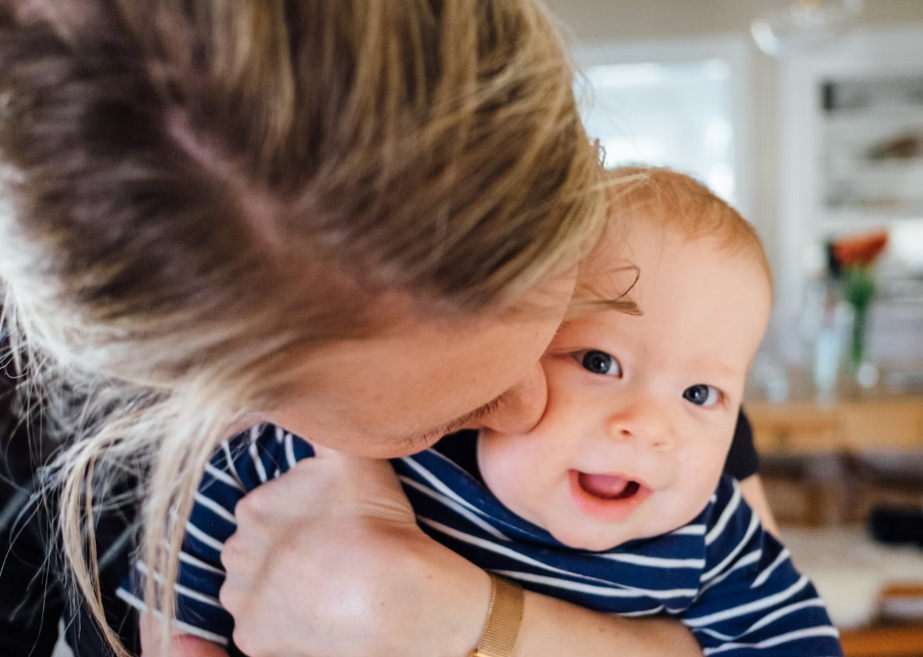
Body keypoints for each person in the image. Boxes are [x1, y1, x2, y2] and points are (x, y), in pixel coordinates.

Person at [0, 2, 759, 657]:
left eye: (561, 332)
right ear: (213, 397)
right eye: (448, 414)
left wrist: (474, 622)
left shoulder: (641, 355)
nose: (537, 404)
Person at [121, 169, 840, 657]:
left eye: (700, 395)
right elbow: (181, 573)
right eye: (597, 362)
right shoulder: (384, 439)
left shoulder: (709, 530)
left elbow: (795, 643)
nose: (650, 425)